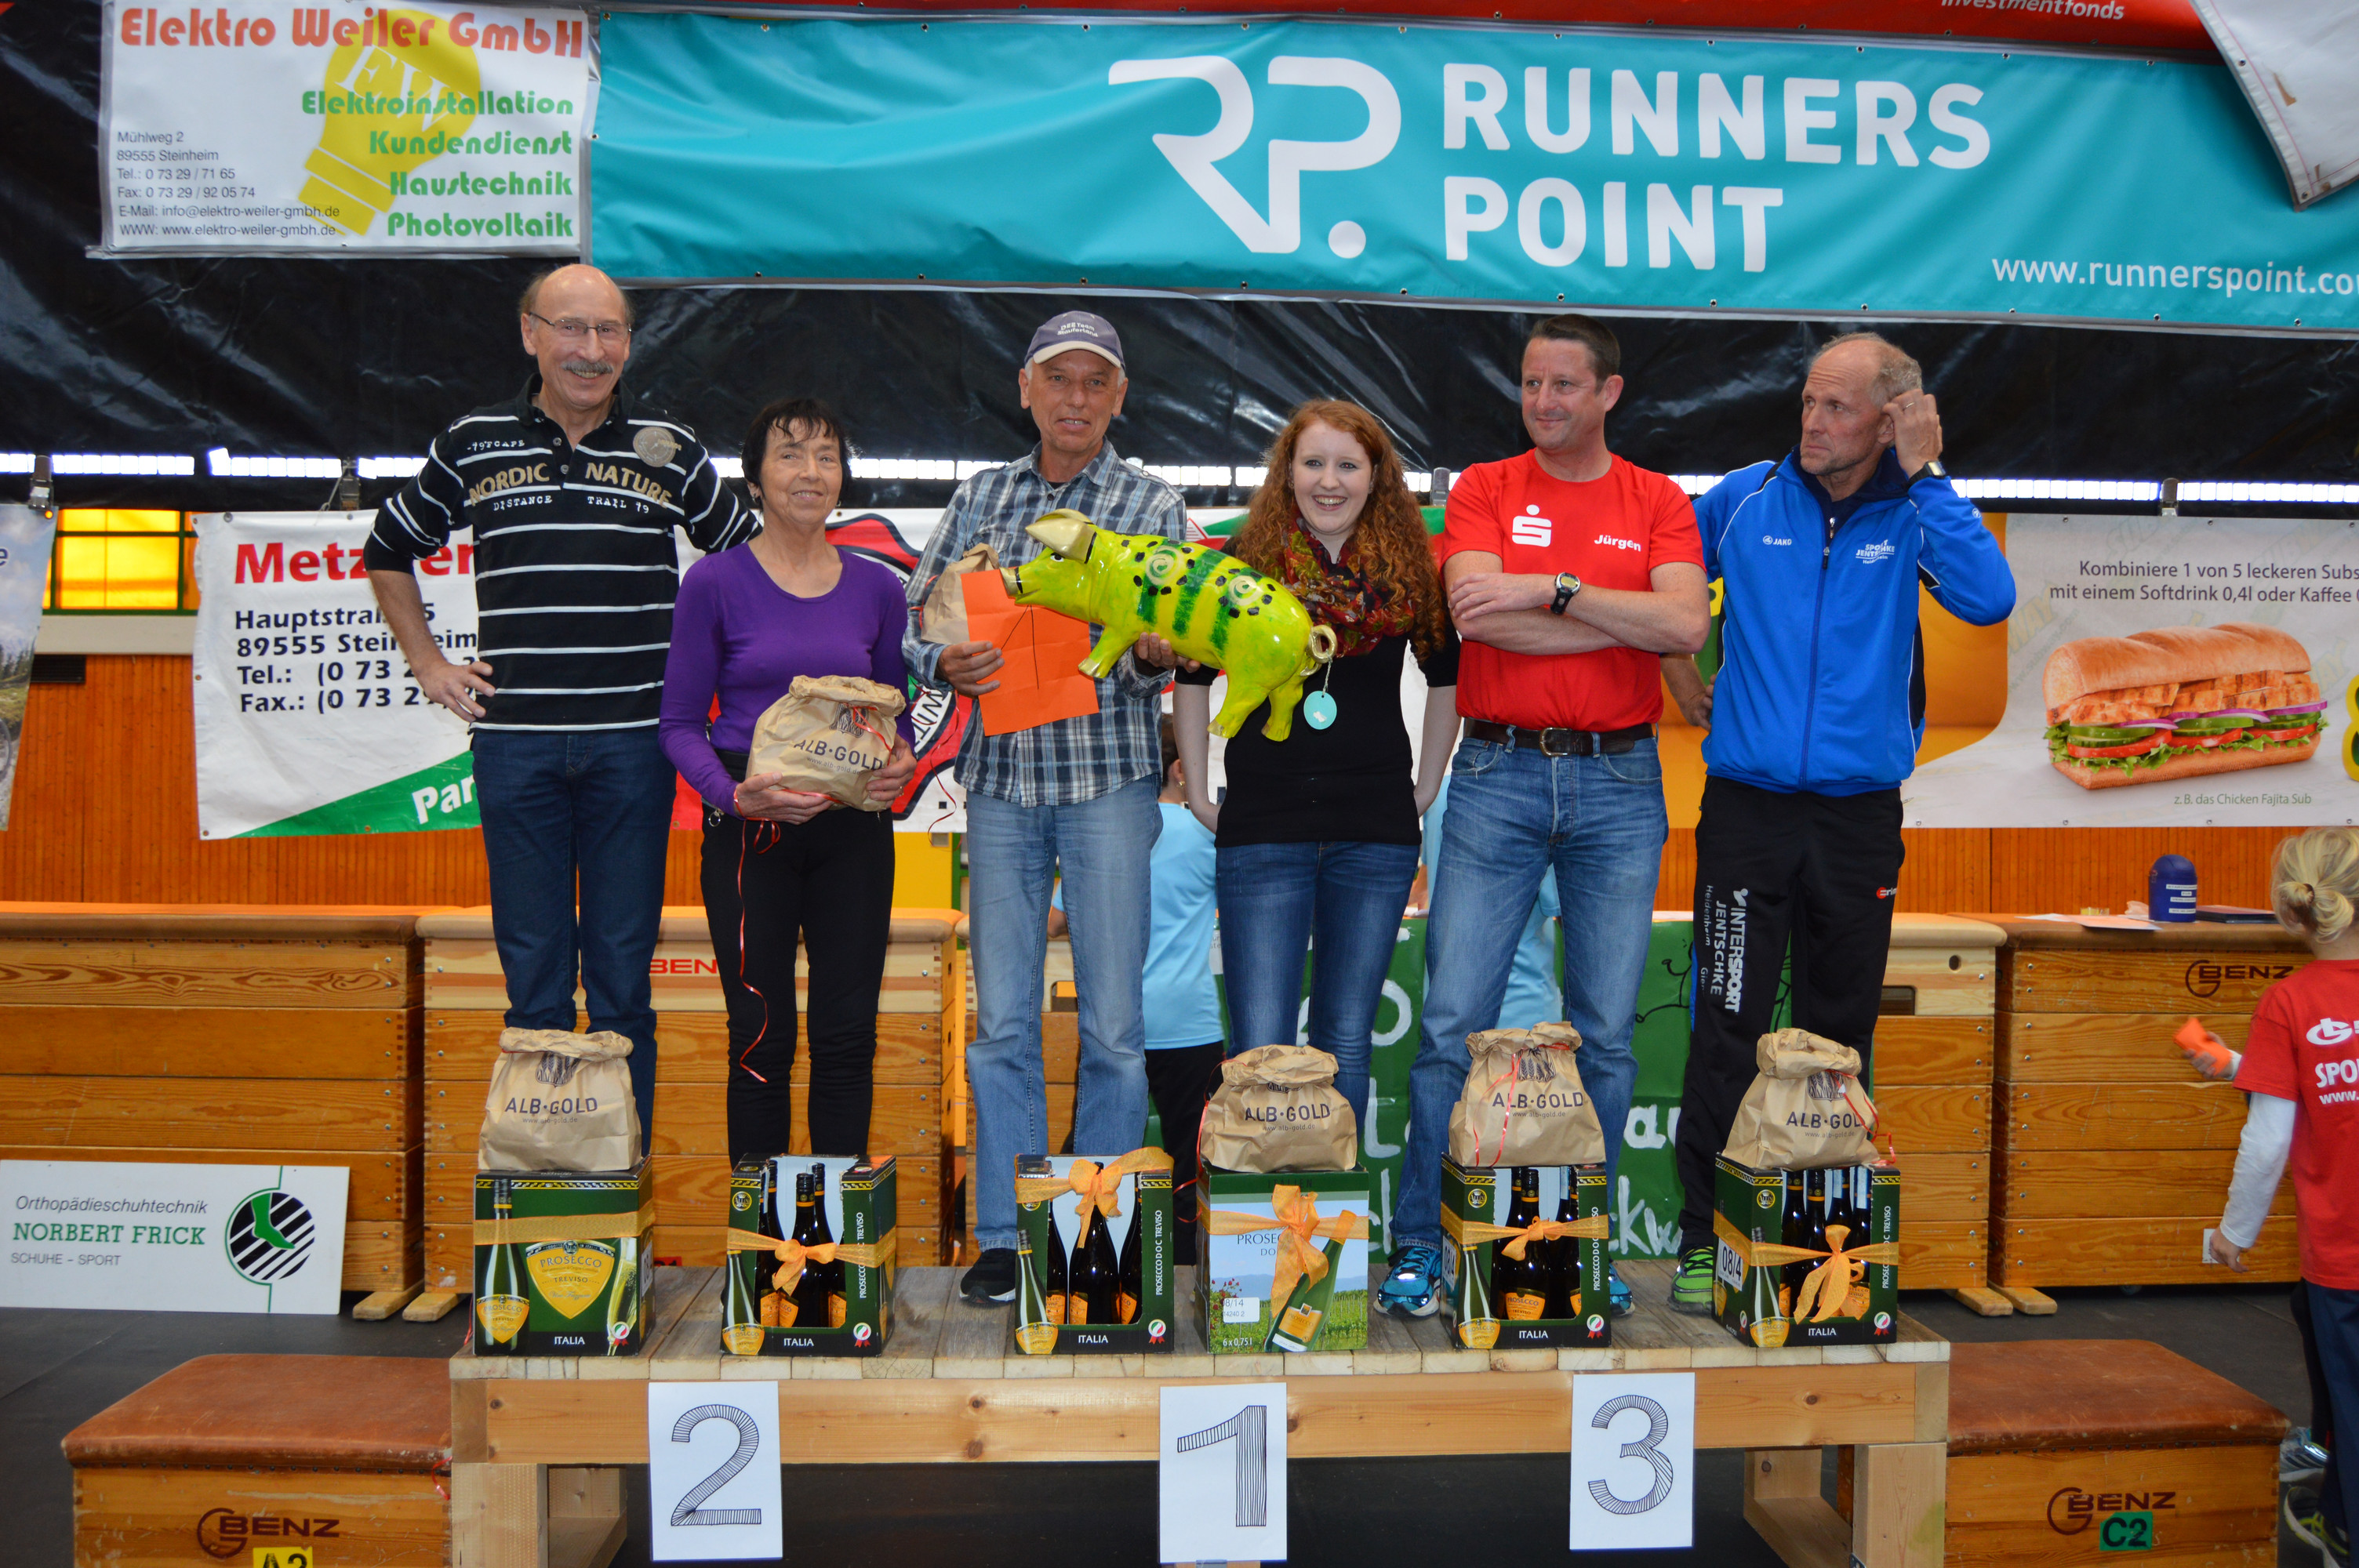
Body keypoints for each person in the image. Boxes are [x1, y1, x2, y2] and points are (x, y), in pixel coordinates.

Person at [1663, 332, 2014, 1313]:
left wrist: (1928, 472)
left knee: (1839, 1030)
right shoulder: (1741, 498)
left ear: (1893, 418)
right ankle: (1702, 1235)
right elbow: (1659, 582)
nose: (1811, 422)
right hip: (1745, 809)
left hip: (1857, 816)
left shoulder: (1915, 511)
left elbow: (1988, 598)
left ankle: (1824, 1242)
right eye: (1807, 402)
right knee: (1724, 1025)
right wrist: (1676, 668)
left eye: (1836, 407)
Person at [365, 264, 751, 1152]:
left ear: (629, 345)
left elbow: (747, 565)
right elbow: (387, 548)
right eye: (571, 328)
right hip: (516, 751)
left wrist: (714, 686)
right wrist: (427, 662)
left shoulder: (669, 448)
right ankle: (545, 1182)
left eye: (609, 330)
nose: (591, 349)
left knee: (622, 987)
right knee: (534, 983)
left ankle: (618, 1185)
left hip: (635, 750)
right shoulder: (472, 443)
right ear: (530, 334)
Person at [1381, 314, 1710, 1320]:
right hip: (1496, 772)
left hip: (1620, 780)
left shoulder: (1655, 498)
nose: (1543, 401)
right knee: (1450, 1024)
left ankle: (1580, 1243)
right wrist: (1608, 610)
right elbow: (1475, 612)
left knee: (1604, 1034)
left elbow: (1683, 623)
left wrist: (1552, 593)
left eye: (1564, 384)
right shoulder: (1484, 486)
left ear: (1608, 392)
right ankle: (1419, 1241)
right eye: (1530, 383)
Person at [901, 310, 1188, 1304]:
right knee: (1000, 1025)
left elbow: (1170, 643)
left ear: (1119, 398)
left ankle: (1091, 1234)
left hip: (1108, 782)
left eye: (1094, 382)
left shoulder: (1151, 506)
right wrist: (941, 656)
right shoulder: (979, 497)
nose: (1075, 398)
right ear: (1024, 389)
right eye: (1057, 379)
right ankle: (1003, 1231)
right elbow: (915, 620)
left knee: (1112, 1028)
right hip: (999, 789)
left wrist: (1152, 649)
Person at [1174, 401, 1458, 1127]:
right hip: (1262, 828)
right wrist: (1201, 793)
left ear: (1376, 478)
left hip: (1374, 833)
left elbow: (1448, 678)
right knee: (1259, 1047)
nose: (1329, 481)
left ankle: (1334, 1202)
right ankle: (1265, 1203)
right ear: (1287, 473)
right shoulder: (1242, 564)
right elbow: (1192, 676)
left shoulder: (1407, 571)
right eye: (1313, 463)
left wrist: (1424, 787)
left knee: (1345, 1044)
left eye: (1348, 465)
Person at [660, 397, 918, 1163]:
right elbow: (678, 724)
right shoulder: (713, 582)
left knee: (847, 1037)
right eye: (789, 454)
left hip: (853, 832)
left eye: (826, 456)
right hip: (750, 829)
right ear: (754, 478)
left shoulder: (878, 589)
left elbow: (893, 716)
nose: (810, 472)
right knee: (758, 1038)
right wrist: (732, 796)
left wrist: (898, 761)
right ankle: (760, 1229)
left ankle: (834, 1225)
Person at [2208, 828, 2359, 1567]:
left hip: (2345, 1259)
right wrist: (2244, 1065)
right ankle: (2336, 1518)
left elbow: (2271, 1137)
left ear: (2292, 911)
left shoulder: (2290, 1002)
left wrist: (2234, 1232)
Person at [1051, 717, 1223, 1256]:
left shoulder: (1104, 839)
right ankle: (1188, 1276)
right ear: (1179, 768)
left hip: (1114, 1020)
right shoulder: (1207, 834)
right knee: (1191, 1171)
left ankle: (1080, 1261)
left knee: (1092, 1159)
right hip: (1190, 1023)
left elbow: (1054, 921)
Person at [1419, 775, 1561, 1036]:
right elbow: (1571, 915)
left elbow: (1424, 885)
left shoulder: (1437, 792)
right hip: (1522, 1011)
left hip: (1448, 1016)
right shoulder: (1535, 795)